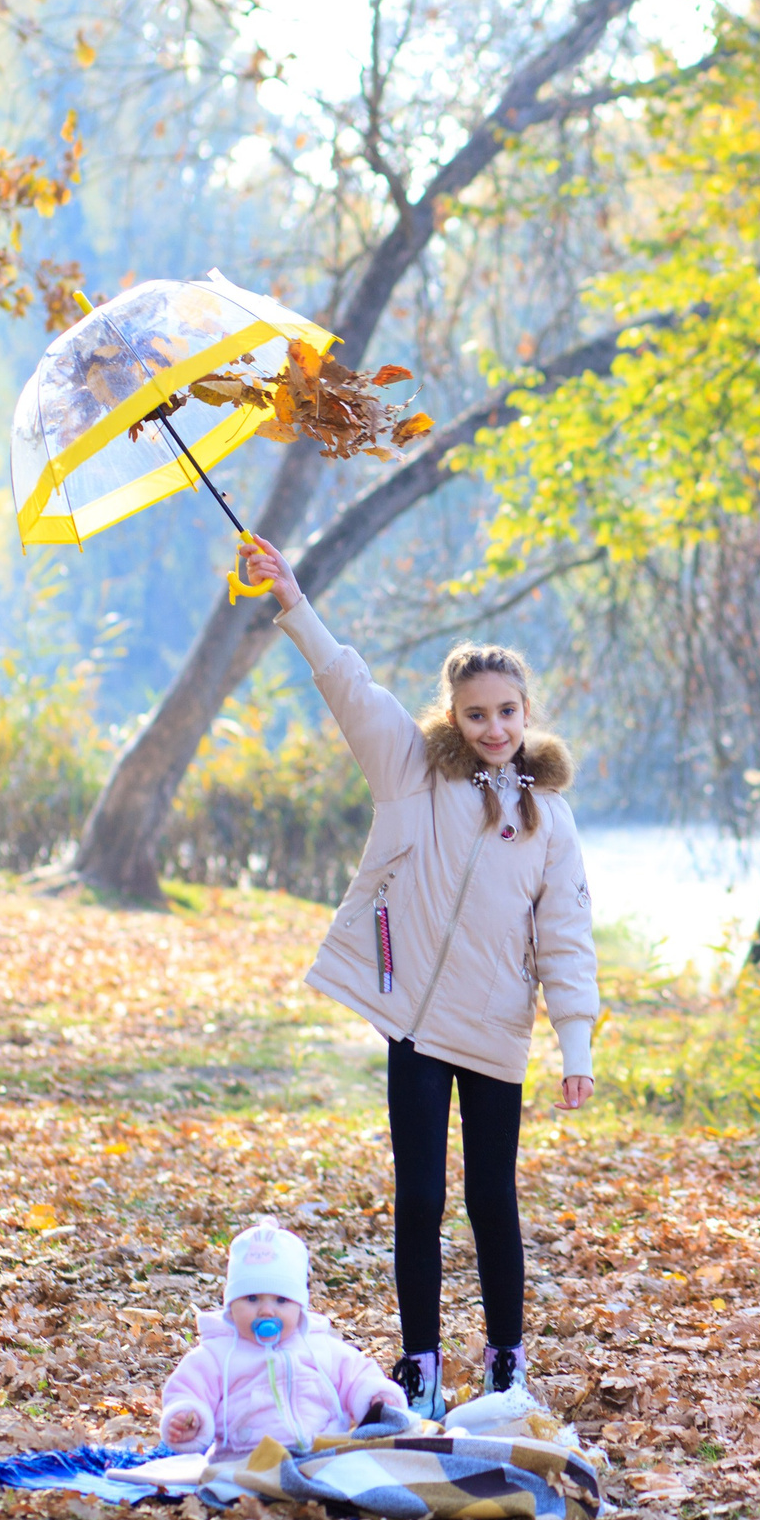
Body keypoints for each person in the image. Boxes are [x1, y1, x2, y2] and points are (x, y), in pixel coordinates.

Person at [244, 534, 599, 1419]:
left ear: (527, 712)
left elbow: (566, 934)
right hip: (413, 1024)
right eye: (476, 713)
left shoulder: (547, 818)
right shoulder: (412, 772)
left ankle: (507, 1364)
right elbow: (348, 686)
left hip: (494, 1031)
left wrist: (575, 1041)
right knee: (419, 1198)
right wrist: (293, 598)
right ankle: (422, 1365)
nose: (493, 727)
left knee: (491, 1201)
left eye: (507, 711)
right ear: (453, 713)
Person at [158, 1221, 410, 1457]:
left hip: (323, 1450)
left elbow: (357, 1376)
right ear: (231, 1304)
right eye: (252, 1299)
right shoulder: (216, 1354)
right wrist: (188, 1418)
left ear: (299, 1307)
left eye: (281, 1300)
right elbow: (188, 1390)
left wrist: (375, 1398)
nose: (267, 1311)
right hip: (245, 1456)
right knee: (224, 1485)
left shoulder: (319, 1346)